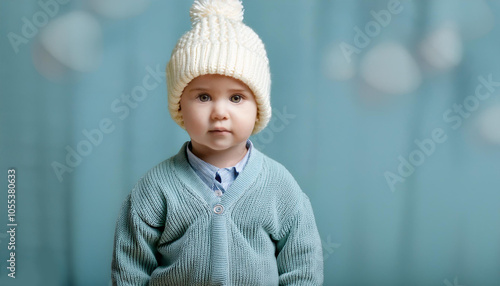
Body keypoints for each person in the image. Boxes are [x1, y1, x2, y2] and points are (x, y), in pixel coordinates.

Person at [111, 0, 324, 285]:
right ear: (179, 107)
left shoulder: (280, 187)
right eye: (203, 97)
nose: (220, 112)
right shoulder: (154, 189)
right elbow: (130, 272)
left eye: (236, 98)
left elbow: (303, 270)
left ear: (258, 107)